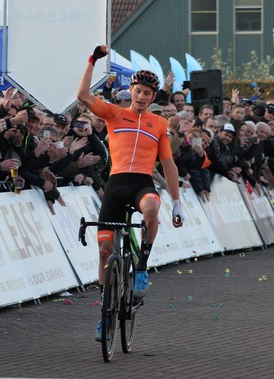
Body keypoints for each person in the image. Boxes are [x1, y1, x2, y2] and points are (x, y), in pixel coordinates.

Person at [77, 45, 184, 342]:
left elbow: (168, 163)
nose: (141, 97)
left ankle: (141, 267)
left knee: (151, 208)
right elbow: (83, 97)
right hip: (115, 184)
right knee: (103, 251)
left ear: (153, 97)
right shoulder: (113, 114)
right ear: (131, 91)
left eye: (147, 93)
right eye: (137, 91)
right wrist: (92, 61)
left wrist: (176, 203)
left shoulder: (159, 124)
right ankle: (105, 312)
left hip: (141, 183)